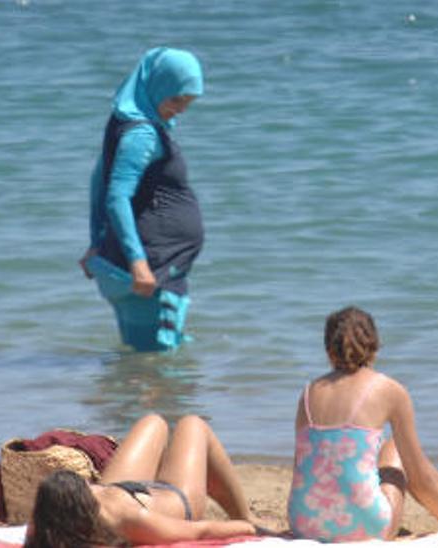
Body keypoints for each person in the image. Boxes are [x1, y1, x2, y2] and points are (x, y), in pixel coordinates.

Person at [288, 306, 438, 542]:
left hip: (304, 524)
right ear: (375, 346)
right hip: (365, 527)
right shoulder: (390, 390)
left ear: (328, 350)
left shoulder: (308, 393)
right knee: (400, 451)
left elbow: (302, 467)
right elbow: (418, 478)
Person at [78, 47, 205, 352]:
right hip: (151, 269)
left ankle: (127, 398)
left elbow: (100, 180)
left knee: (145, 364)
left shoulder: (128, 121)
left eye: (188, 102)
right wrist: (138, 264)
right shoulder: (142, 135)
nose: (181, 109)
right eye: (176, 99)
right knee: (154, 364)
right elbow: (116, 196)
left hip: (151, 264)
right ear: (157, 86)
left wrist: (98, 240)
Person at [23, 414, 263, 547]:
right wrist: (251, 529)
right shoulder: (127, 519)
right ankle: (244, 513)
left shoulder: (43, 526)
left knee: (153, 422)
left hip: (123, 490)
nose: (92, 486)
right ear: (84, 508)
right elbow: (200, 532)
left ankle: (168, 462)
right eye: (89, 489)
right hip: (174, 499)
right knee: (192, 424)